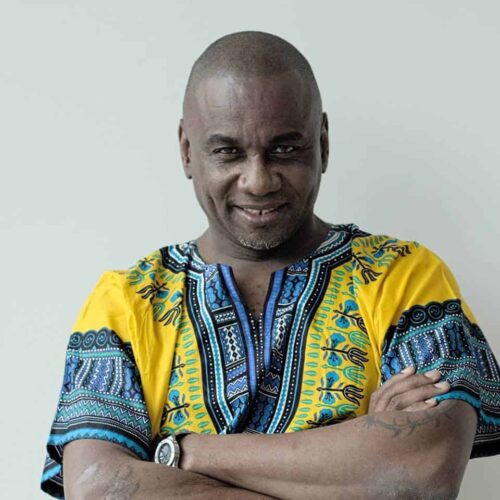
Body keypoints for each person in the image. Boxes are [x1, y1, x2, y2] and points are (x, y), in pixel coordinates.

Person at [41, 31, 500, 499]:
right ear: (187, 150)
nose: (258, 181)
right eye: (227, 151)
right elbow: (99, 488)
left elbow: (423, 471)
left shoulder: (403, 277)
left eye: (285, 149)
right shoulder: (128, 300)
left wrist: (181, 452)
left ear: (322, 142)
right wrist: (355, 463)